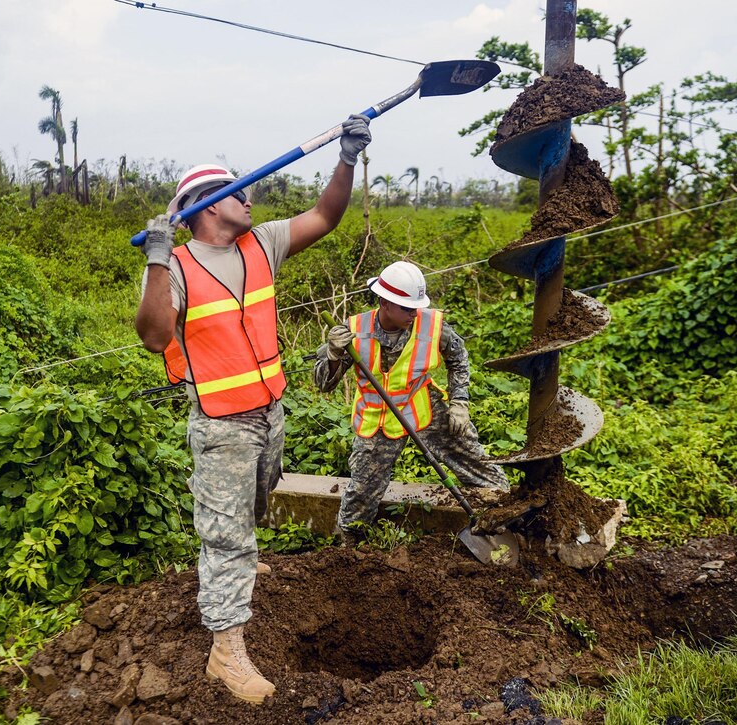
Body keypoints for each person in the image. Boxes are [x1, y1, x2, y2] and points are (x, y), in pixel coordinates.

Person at [133, 114, 371, 705]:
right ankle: (226, 651)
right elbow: (154, 336)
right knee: (227, 537)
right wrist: (157, 261)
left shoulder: (261, 242)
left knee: (258, 501)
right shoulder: (178, 268)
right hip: (221, 425)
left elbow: (326, 217)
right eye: (236, 191)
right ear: (207, 205)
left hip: (270, 412)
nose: (248, 197)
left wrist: (345, 158)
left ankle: (241, 562)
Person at [313, 261, 510, 547]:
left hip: (422, 405)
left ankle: (504, 520)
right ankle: (351, 548)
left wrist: (460, 402)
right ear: (384, 301)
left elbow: (459, 358)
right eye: (406, 308)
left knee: (482, 468)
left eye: (416, 307)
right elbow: (323, 384)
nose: (413, 313)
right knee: (362, 493)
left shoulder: (432, 325)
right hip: (378, 417)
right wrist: (332, 354)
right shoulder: (353, 330)